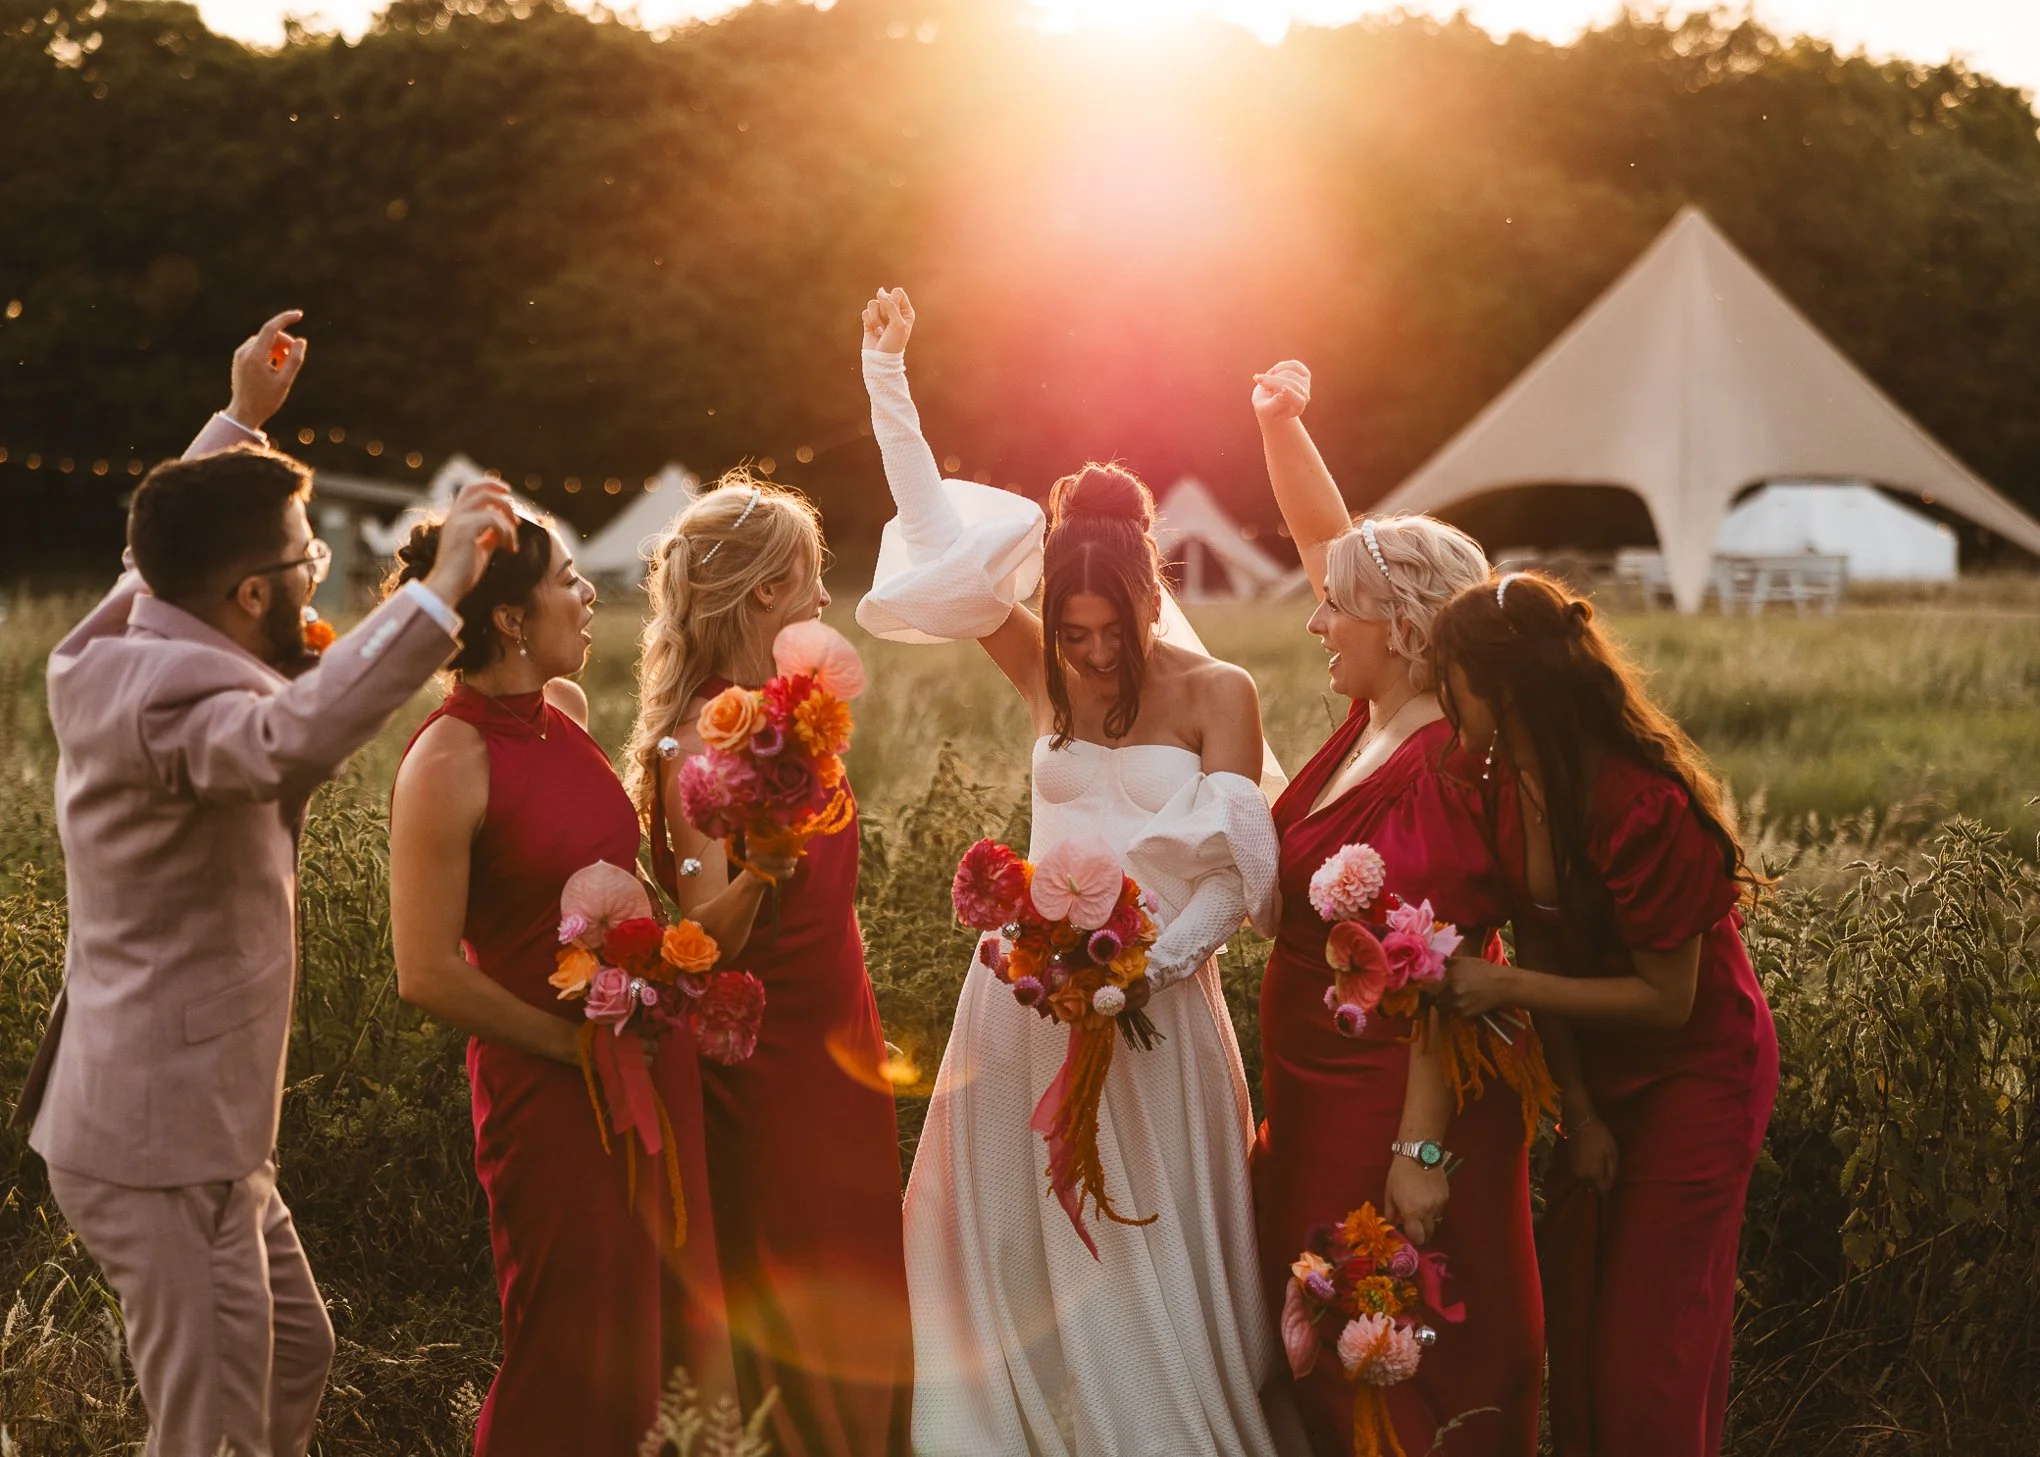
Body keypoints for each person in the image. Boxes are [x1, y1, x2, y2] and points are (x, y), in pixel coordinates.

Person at [16, 311, 516, 1457]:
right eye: (305, 561)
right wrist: (435, 596)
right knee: (212, 1425)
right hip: (161, 1140)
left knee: (296, 1352)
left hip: (197, 1116)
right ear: (248, 595)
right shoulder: (172, 705)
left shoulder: (128, 623)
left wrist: (242, 416)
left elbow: (167, 540)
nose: (318, 572)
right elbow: (290, 738)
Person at [859, 288, 1306, 1455]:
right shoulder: (1047, 674)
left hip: (1158, 1006)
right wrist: (886, 374)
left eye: (1114, 630)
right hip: (1021, 1007)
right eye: (1075, 634)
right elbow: (938, 540)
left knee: (1149, 1240)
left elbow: (1233, 872)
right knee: (1009, 1240)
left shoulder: (1221, 695)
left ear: (1152, 595)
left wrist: (1144, 973)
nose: (1096, 654)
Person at [1246, 360, 1550, 1455]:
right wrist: (1278, 423)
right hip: (1315, 1080)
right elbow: (1333, 541)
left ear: (1408, 629)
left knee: (1382, 1342)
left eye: (1339, 606)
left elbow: (1439, 969)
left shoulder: (1438, 766)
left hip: (1395, 1102)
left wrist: (1420, 1153)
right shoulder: (1370, 712)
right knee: (1319, 1338)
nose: (1317, 616)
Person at [386, 511, 736, 1454]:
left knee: (658, 1326)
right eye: (570, 580)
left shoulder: (569, 713)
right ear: (508, 619)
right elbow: (421, 970)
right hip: (547, 1088)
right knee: (566, 1338)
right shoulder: (445, 762)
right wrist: (569, 1044)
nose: (589, 596)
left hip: (646, 1062)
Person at [1430, 571, 1778, 1457]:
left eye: (1452, 676)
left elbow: (1668, 1000)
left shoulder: (1641, 804)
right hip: (1599, 1070)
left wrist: (1505, 990)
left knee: (1646, 1349)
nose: (1443, 696)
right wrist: (1577, 1110)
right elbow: (1542, 944)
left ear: (1501, 686)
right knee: (1582, 1330)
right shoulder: (1508, 783)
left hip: (1697, 1073)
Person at [621, 473, 913, 1456]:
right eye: (809, 577)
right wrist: (765, 858)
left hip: (842, 1037)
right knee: (798, 1276)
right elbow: (711, 928)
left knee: (860, 1267)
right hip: (770, 1058)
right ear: (761, 593)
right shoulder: (699, 735)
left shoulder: (788, 714)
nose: (824, 599)